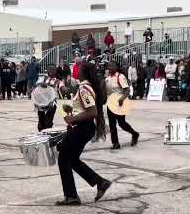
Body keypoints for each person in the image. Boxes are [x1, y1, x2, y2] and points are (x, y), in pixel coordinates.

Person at [56, 62, 112, 205]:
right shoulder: (86, 87)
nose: (77, 71)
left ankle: (71, 196)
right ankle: (100, 182)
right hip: (83, 128)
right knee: (73, 159)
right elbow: (85, 108)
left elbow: (92, 112)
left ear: (84, 73)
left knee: (63, 158)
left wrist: (72, 118)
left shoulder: (84, 89)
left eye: (79, 70)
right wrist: (70, 111)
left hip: (82, 128)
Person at [105, 60, 140, 150]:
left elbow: (127, 90)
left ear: (116, 67)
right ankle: (115, 143)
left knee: (122, 123)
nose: (110, 68)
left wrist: (122, 99)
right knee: (112, 124)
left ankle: (134, 134)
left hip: (119, 104)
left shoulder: (120, 77)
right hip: (110, 104)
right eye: (109, 66)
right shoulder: (107, 78)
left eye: (112, 66)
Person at [37, 64, 67, 132]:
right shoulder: (43, 78)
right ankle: (41, 131)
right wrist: (40, 84)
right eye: (50, 69)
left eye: (53, 69)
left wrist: (64, 89)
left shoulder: (58, 81)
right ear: (47, 70)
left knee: (48, 120)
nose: (51, 71)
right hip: (42, 102)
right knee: (41, 119)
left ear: (55, 71)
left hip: (52, 103)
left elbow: (62, 87)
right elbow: (36, 84)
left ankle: (47, 132)